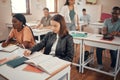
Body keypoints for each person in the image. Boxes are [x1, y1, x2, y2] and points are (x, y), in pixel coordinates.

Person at [96, 6, 120, 72]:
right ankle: (100, 64)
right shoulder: (107, 20)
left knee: (114, 51)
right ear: (111, 13)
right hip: (107, 39)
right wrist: (104, 31)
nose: (114, 15)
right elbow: (104, 29)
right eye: (113, 13)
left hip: (116, 41)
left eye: (116, 14)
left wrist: (117, 33)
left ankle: (113, 67)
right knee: (98, 48)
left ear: (119, 14)